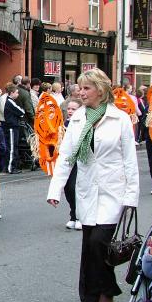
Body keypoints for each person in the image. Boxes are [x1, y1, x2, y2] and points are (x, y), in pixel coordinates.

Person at [47, 68, 139, 302]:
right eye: (80, 87)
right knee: (89, 243)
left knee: (100, 241)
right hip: (87, 189)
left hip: (113, 189)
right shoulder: (77, 119)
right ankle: (89, 294)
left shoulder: (119, 119)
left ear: (100, 90)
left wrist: (131, 197)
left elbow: (130, 161)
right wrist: (55, 189)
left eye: (86, 88)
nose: (81, 92)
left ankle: (107, 290)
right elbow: (66, 157)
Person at [63, 97, 82, 230]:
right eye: (68, 109)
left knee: (75, 188)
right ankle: (73, 215)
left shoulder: (83, 123)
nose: (70, 111)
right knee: (67, 188)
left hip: (79, 160)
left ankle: (79, 216)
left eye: (73, 109)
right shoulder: (64, 123)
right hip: (67, 160)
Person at [3, 83, 25, 174]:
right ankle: (10, 167)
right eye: (16, 92)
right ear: (11, 93)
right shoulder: (10, 101)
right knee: (12, 147)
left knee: (11, 146)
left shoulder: (7, 100)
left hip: (11, 126)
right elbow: (21, 111)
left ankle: (9, 166)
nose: (18, 94)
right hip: (11, 126)